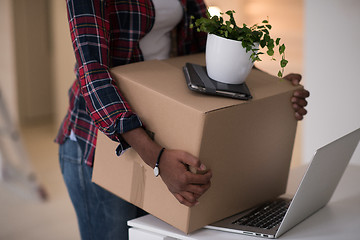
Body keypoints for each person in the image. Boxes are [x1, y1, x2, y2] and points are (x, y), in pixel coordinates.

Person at [56, 0, 310, 239]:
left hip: (162, 133)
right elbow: (92, 72)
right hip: (101, 140)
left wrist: (274, 90)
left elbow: (206, 48)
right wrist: (155, 158)